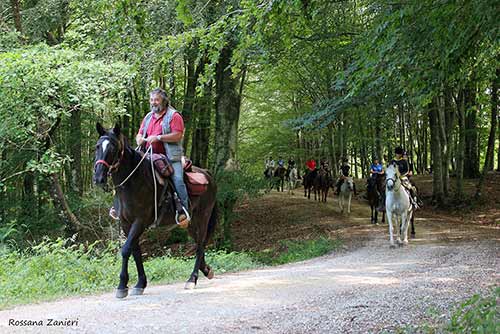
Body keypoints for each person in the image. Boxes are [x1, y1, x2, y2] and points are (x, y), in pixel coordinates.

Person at [110, 88, 190, 225]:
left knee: (177, 179)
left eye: (157, 100)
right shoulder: (148, 117)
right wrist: (140, 139)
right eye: (152, 100)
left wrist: (159, 137)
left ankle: (183, 211)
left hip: (170, 157)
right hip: (148, 155)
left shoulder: (174, 116)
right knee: (126, 174)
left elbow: (178, 135)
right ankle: (118, 206)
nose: (154, 103)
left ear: (164, 101)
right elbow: (140, 134)